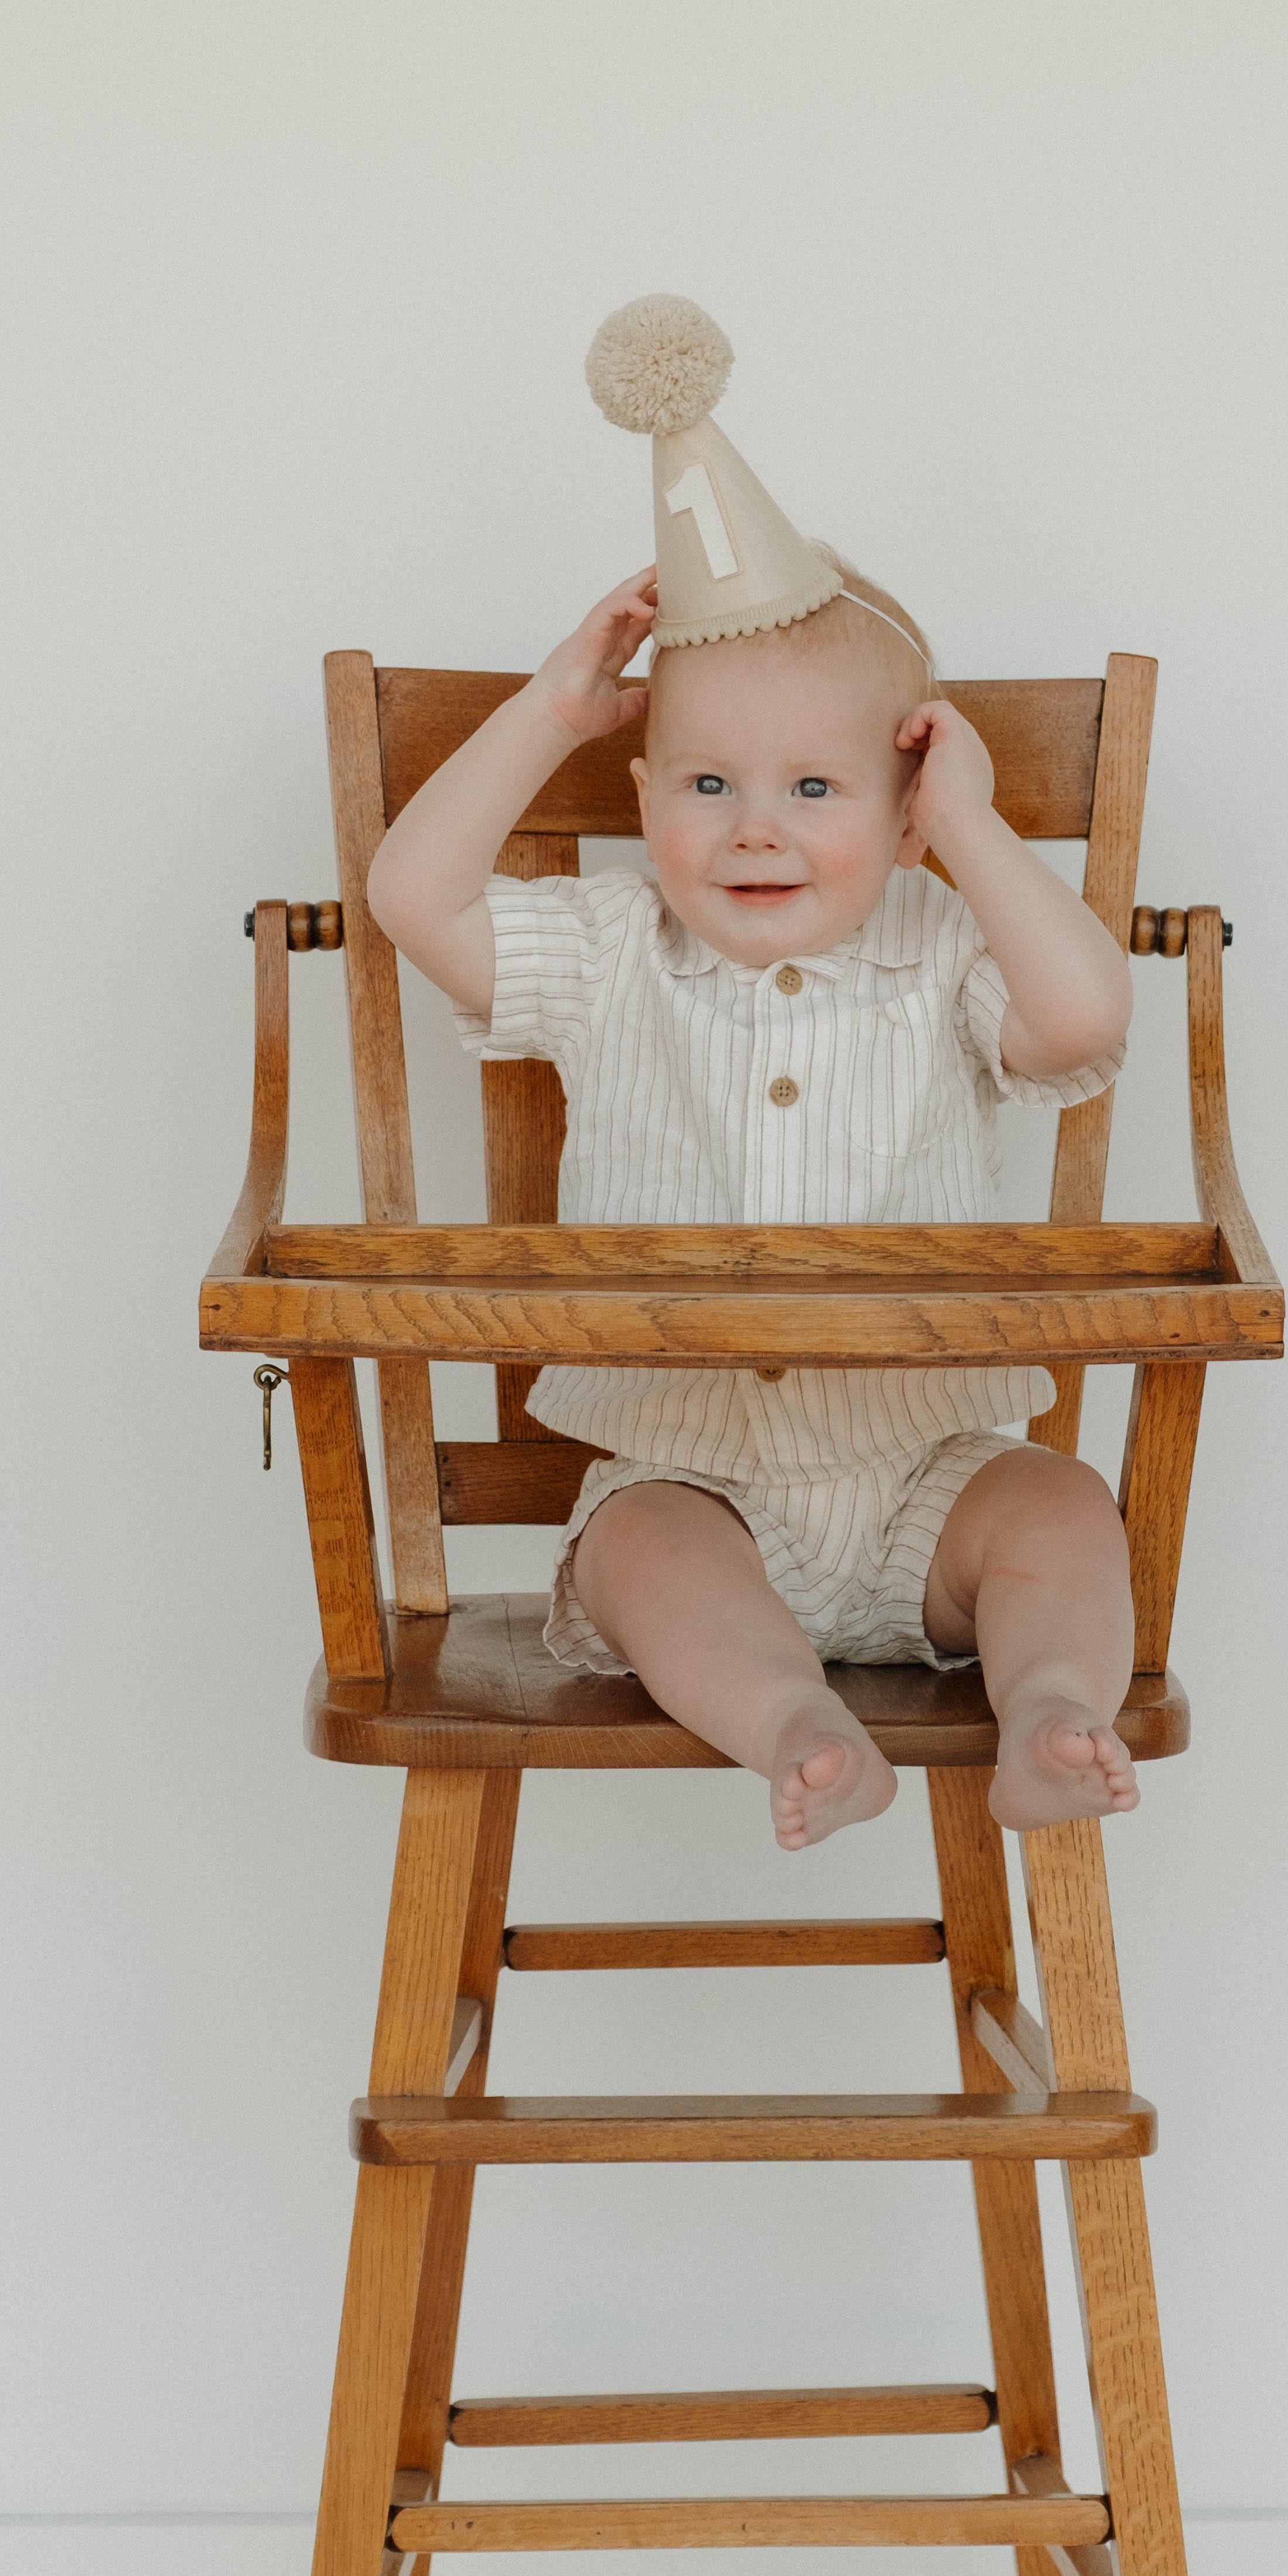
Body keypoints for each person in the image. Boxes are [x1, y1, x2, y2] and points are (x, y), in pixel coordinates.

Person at [366, 300, 1141, 1850]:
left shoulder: (945, 950)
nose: (755, 827)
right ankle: (794, 1722)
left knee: (1062, 1510)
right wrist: (548, 710)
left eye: (816, 787)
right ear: (644, 793)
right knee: (644, 1561)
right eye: (708, 783)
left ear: (902, 809)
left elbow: (1083, 1021)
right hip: (686, 1473)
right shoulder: (607, 949)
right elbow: (413, 897)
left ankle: (1054, 1707)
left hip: (934, 1470)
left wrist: (969, 830)